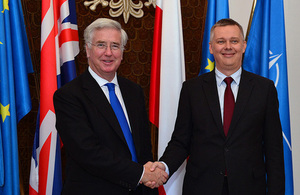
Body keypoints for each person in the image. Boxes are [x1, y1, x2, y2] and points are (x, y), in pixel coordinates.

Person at [149, 18, 285, 194]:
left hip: (249, 188)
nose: (228, 47)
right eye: (221, 41)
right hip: (202, 187)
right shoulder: (192, 89)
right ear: (211, 47)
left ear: (243, 46)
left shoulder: (264, 89)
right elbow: (181, 141)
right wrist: (164, 167)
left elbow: (273, 149)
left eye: (234, 41)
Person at [53, 18, 167, 195]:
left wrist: (150, 177)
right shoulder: (69, 96)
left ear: (122, 53)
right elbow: (88, 152)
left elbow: (144, 147)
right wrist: (141, 174)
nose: (108, 53)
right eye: (101, 45)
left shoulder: (133, 91)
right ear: (87, 50)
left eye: (115, 46)